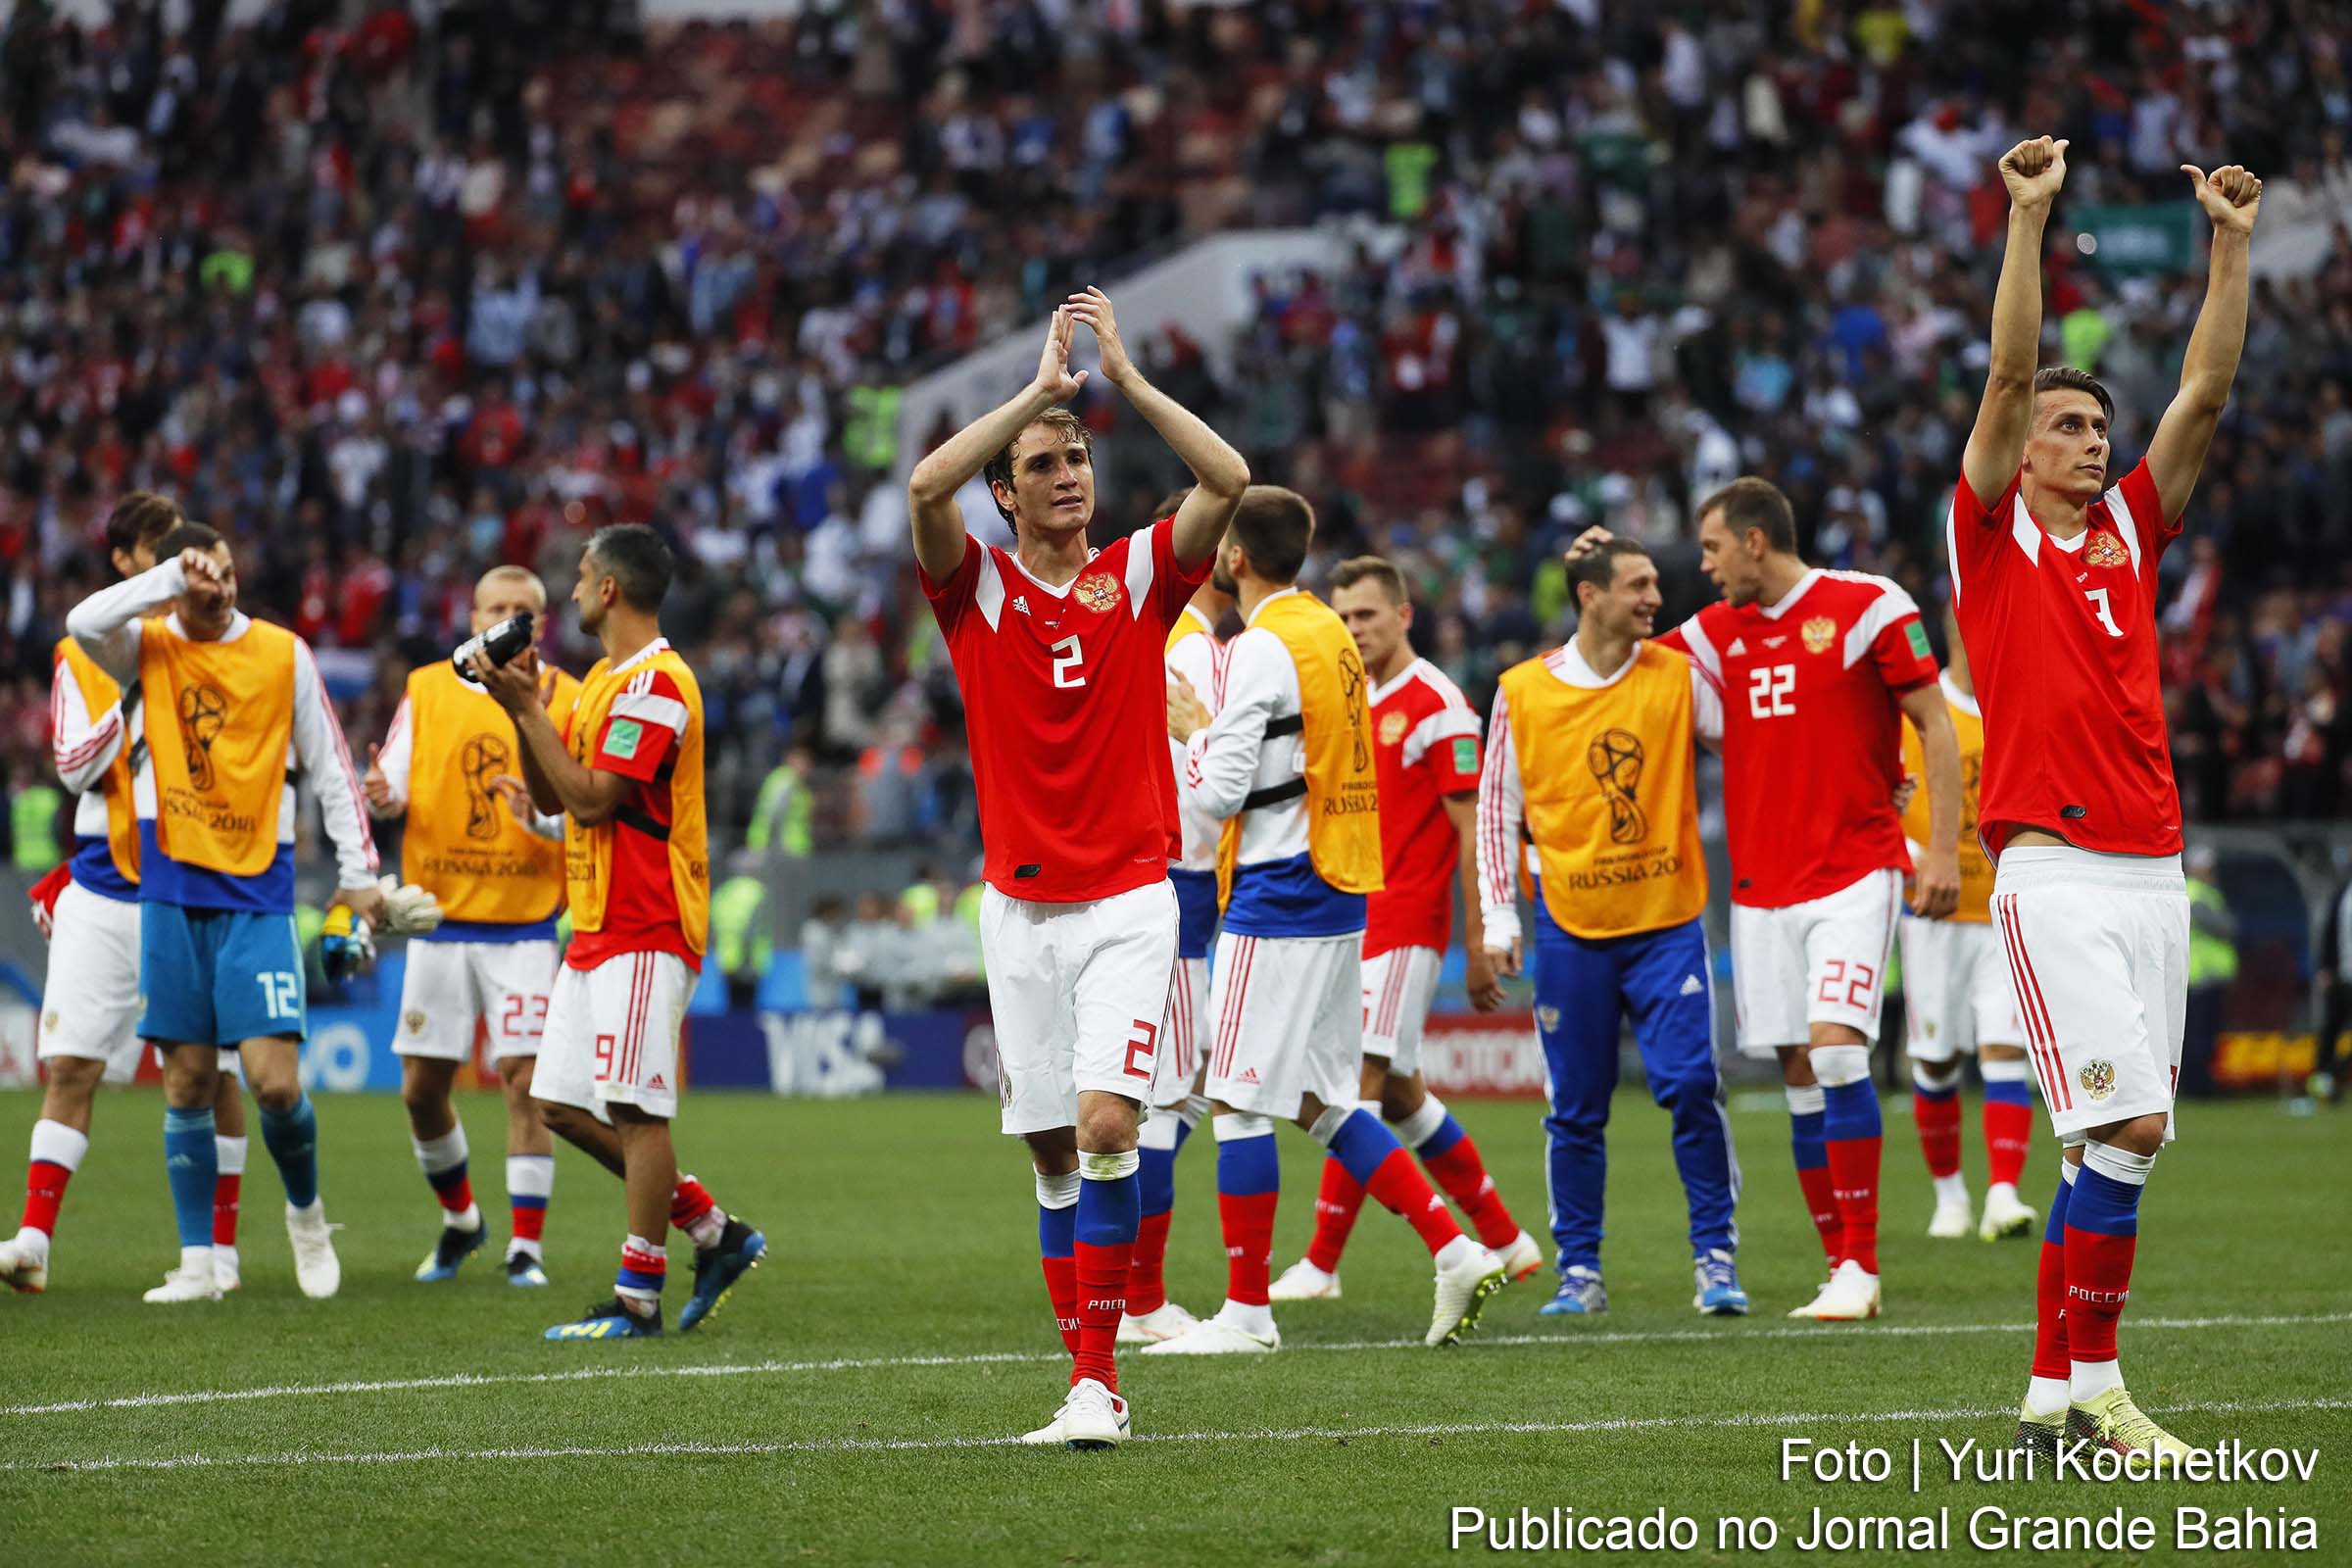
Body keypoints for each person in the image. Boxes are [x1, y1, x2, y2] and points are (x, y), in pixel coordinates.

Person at [1952, 135, 2259, 1459]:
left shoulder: (2134, 525)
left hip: (2151, 868)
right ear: (2022, 448)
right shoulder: (1989, 529)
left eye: (2097, 429)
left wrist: (2232, 240)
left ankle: (2045, 1401)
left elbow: (2206, 386)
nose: (2088, 440)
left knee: (2107, 1156)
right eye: (2068, 427)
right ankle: (2106, 1396)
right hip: (2053, 870)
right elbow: (2012, 368)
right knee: (2130, 1126)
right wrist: (2028, 219)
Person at [906, 288, 1248, 1449]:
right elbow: (922, 488)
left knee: (1108, 1123)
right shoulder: (976, 589)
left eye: (1078, 459)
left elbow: (1228, 481)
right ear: (1006, 489)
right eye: (1044, 463)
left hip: (1127, 905)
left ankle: (1097, 1385)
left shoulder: (1142, 579)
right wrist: (1035, 393)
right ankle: (1089, 1376)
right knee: (1054, 1153)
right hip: (1019, 912)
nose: (1067, 475)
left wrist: (1130, 382)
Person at [1572, 473, 1964, 1324]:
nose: (1703, 568)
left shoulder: (1868, 606)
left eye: (1712, 549)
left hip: (1855, 871)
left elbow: (1933, 720)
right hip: (1759, 887)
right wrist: (1598, 581)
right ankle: (1838, 1267)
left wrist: (1938, 848)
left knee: (1835, 1052)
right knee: (1796, 1069)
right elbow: (1614, 663)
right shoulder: (1714, 637)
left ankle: (1861, 1262)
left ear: (1755, 541)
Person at [1148, 487, 1505, 1358]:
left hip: (1279, 891)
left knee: (1232, 1098)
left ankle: (1246, 1314)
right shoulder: (1329, 634)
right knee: (1318, 1099)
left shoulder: (1260, 646)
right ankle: (1456, 1247)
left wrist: (1191, 731)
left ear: (1232, 558)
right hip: (1339, 887)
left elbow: (1221, 789)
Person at [64, 521, 397, 1302]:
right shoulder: (146, 644)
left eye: (225, 569)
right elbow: (82, 623)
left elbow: (331, 766)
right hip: (171, 889)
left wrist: (359, 874)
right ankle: (198, 1264)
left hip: (256, 890)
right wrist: (168, 581)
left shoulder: (282, 653)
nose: (219, 584)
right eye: (203, 573)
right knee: (184, 1081)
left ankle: (307, 1217)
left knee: (273, 1083)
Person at [477, 523, 766, 1341]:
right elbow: (556, 792)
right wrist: (522, 710)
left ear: (609, 588)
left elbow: (598, 798)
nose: (569, 592)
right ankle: (712, 1231)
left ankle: (638, 1296)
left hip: (648, 919)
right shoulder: (606, 681)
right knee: (558, 1103)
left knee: (636, 1111)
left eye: (577, 577)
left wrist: (532, 707)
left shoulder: (658, 687)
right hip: (597, 919)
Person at [1477, 538, 1746, 1317]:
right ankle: (1580, 1271)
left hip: (1667, 922)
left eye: (1656, 584)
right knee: (1576, 1108)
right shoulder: (1521, 691)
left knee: (1693, 1085)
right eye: (1639, 584)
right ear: (1590, 595)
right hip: (1568, 926)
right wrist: (1500, 919)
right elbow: (1498, 815)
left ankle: (1715, 1257)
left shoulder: (1679, 677)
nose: (1655, 598)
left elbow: (1758, 744)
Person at [1270, 554, 1540, 1303]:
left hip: (1406, 926)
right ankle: (1507, 1239)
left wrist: (1482, 939)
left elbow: (1474, 828)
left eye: (1367, 615)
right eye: (1344, 617)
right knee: (1401, 1096)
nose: (1354, 629)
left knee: (1349, 1088)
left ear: (1403, 615)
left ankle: (1321, 1264)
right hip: (1353, 923)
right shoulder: (1350, 696)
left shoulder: (1440, 705)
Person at [2, 493, 253, 1295]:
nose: (183, 562)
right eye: (161, 549)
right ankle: (34, 1242)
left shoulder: (229, 647)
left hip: (195, 883)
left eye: (193, 548)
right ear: (124, 562)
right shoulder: (84, 654)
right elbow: (74, 766)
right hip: (108, 890)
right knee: (70, 1065)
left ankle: (221, 1251)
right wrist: (136, 701)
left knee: (214, 1073)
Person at [366, 565, 582, 1288]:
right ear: (474, 615)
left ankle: (526, 1249)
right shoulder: (428, 687)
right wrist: (381, 794)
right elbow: (394, 778)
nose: (509, 618)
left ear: (540, 624)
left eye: (523, 609)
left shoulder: (568, 696)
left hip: (522, 925)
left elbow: (584, 809)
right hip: (440, 921)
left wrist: (539, 817)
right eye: (497, 607)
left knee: (524, 1082)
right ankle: (463, 1222)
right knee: (422, 1090)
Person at [1118, 485, 1227, 1348]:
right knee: (1166, 1101)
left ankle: (1129, 1285)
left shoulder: (1174, 640)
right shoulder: (1176, 647)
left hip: (1181, 889)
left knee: (1178, 1096)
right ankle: (1139, 1299)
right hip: (1175, 887)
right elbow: (1195, 798)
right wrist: (1206, 740)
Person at [1896, 604, 2039, 1243]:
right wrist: (1915, 858)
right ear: (1955, 630)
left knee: (2006, 1048)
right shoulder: (1917, 714)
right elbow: (1882, 798)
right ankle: (1949, 1196)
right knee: (1935, 1058)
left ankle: (2003, 1194)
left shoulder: (2023, 706)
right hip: (1933, 914)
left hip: (2005, 912)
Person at [2180, 845, 2237, 1098]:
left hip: (2199, 976)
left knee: (2196, 1034)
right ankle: (2198, 1085)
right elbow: (2225, 928)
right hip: (2202, 977)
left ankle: (2196, 1083)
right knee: (2200, 1035)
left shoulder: (2194, 892)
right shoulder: (2198, 894)